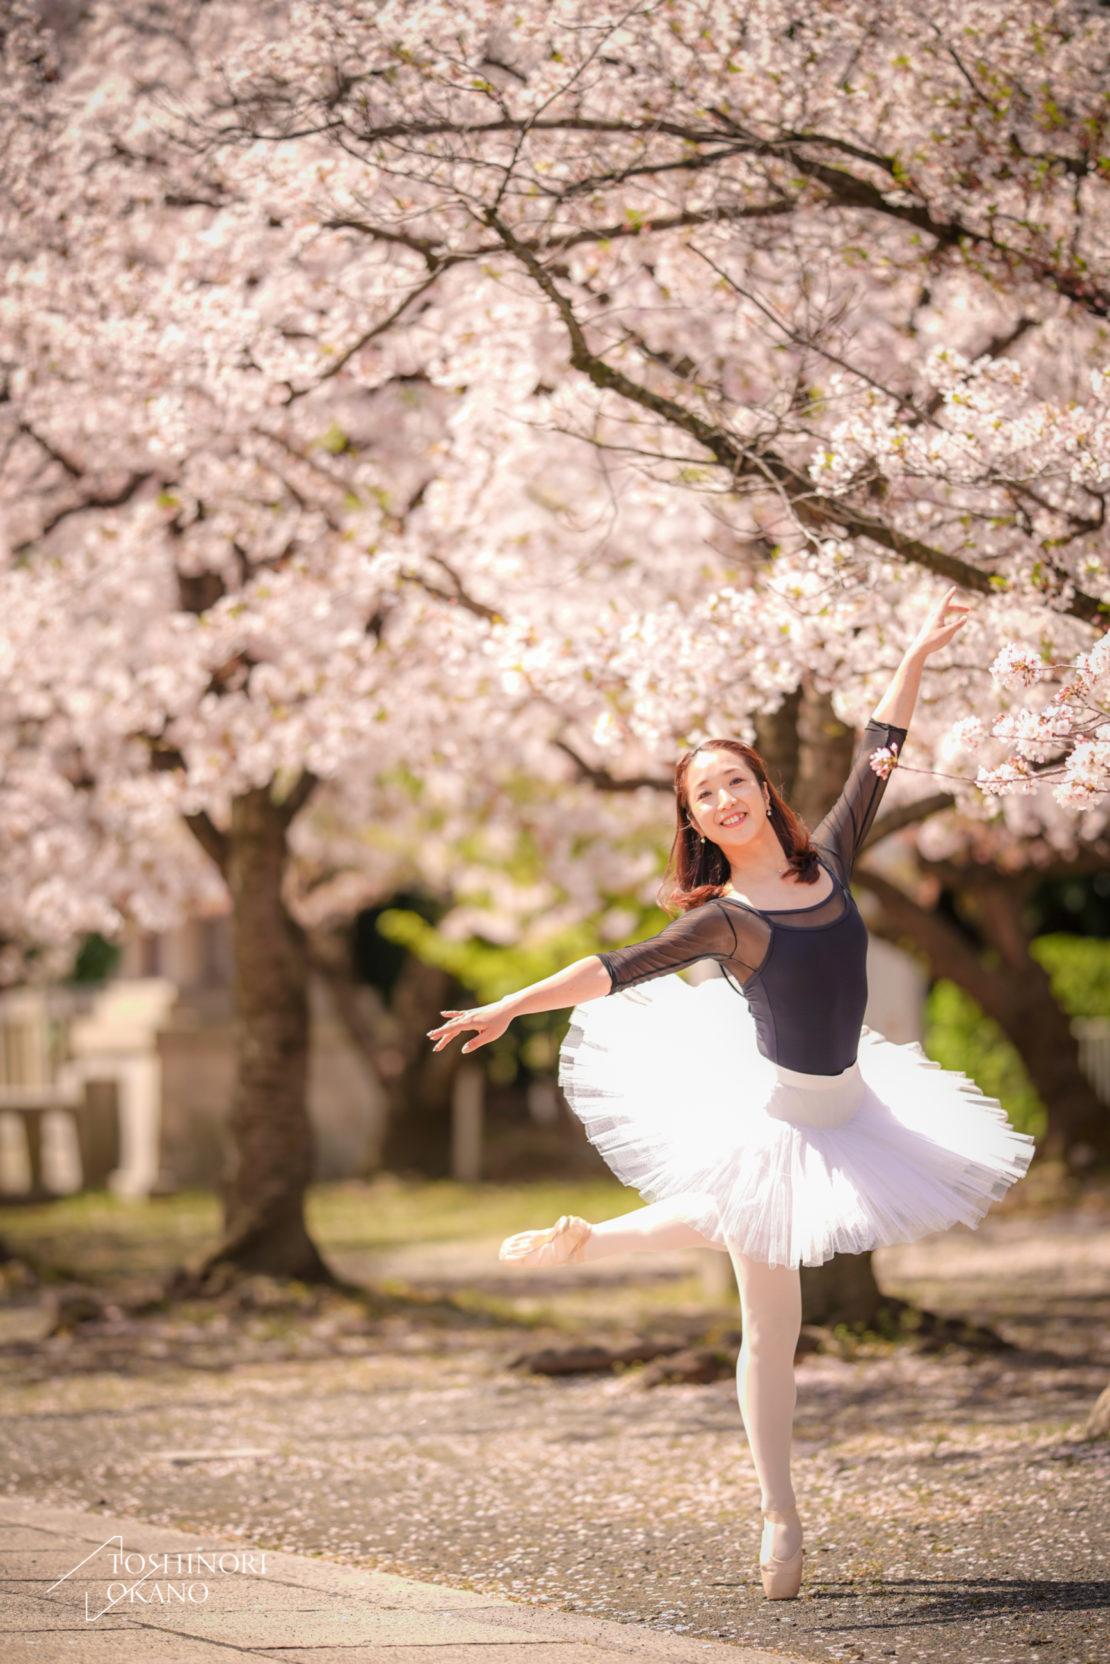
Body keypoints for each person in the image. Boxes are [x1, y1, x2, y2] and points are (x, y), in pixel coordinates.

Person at [427, 585, 1034, 1602]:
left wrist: (917, 650)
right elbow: (609, 967)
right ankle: (780, 1515)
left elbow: (880, 748)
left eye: (734, 780)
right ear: (698, 821)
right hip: (780, 1123)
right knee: (771, 1325)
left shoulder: (832, 856)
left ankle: (601, 1239)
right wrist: (506, 1006)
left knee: (748, 1259)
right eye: (703, 794)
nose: (723, 799)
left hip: (863, 1109)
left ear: (762, 785)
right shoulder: (727, 918)